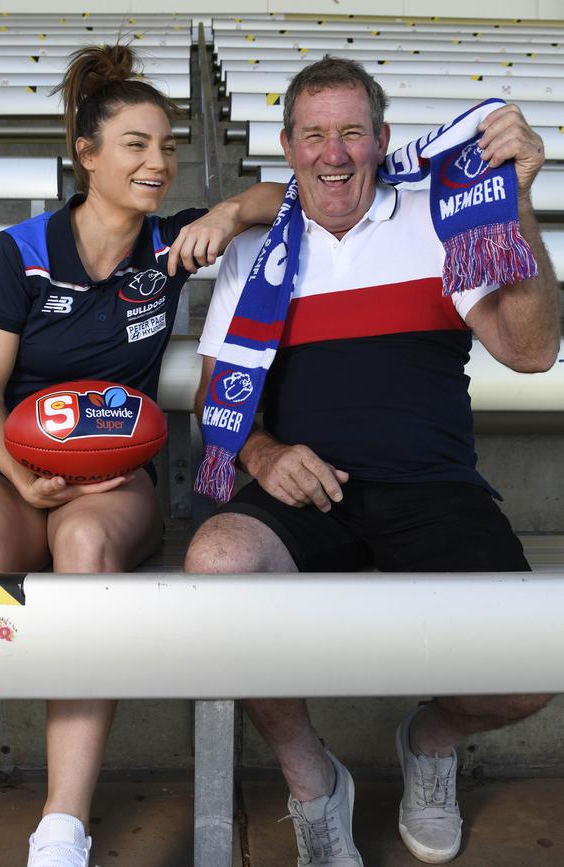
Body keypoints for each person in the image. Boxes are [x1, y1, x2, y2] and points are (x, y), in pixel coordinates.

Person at [185, 56, 561, 865]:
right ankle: (313, 781)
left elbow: (531, 351)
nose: (334, 153)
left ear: (383, 141)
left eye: (352, 132)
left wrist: (518, 198)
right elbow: (213, 392)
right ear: (287, 147)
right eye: (315, 134)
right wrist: (263, 449)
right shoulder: (258, 249)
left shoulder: (439, 220)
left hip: (433, 489)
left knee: (534, 665)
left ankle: (429, 740)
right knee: (218, 565)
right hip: (302, 495)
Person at [0, 43, 284, 867]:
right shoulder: (21, 252)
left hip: (112, 482)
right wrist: (21, 479)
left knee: (83, 555)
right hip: (8, 474)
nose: (159, 162)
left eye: (168, 146)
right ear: (87, 154)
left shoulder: (170, 246)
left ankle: (62, 826)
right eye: (137, 145)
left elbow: (290, 191)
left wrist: (226, 214)